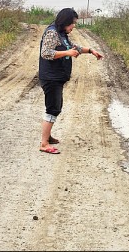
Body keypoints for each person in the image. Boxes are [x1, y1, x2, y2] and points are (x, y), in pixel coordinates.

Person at [38, 8, 103, 154]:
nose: (73, 26)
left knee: (56, 106)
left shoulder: (62, 33)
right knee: (53, 108)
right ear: (65, 21)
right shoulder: (52, 33)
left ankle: (47, 136)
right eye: (72, 23)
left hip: (57, 77)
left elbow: (73, 47)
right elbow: (45, 53)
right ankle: (44, 143)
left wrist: (90, 51)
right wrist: (67, 53)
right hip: (50, 77)